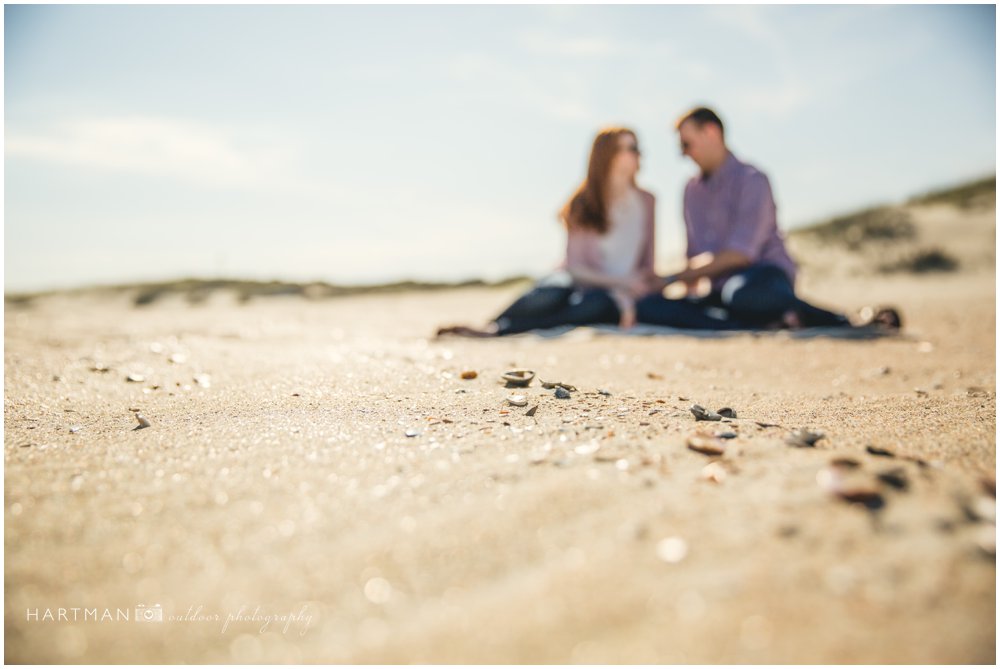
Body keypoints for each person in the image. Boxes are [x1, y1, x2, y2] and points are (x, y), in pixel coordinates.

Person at [637, 107, 901, 331]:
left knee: (741, 295)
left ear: (711, 132)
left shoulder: (752, 180)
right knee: (651, 305)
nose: (683, 154)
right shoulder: (691, 191)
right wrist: (680, 296)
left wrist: (671, 278)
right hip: (719, 290)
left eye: (686, 144)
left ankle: (843, 320)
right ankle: (764, 322)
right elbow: (693, 256)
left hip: (763, 277)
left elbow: (741, 255)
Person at [436, 127, 661, 337]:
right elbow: (574, 269)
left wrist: (628, 294)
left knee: (597, 305)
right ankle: (494, 324)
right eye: (632, 148)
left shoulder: (647, 201)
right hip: (580, 283)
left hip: (611, 295)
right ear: (609, 155)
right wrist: (620, 283)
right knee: (553, 292)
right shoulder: (583, 204)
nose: (639, 154)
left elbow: (647, 267)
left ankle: (500, 330)